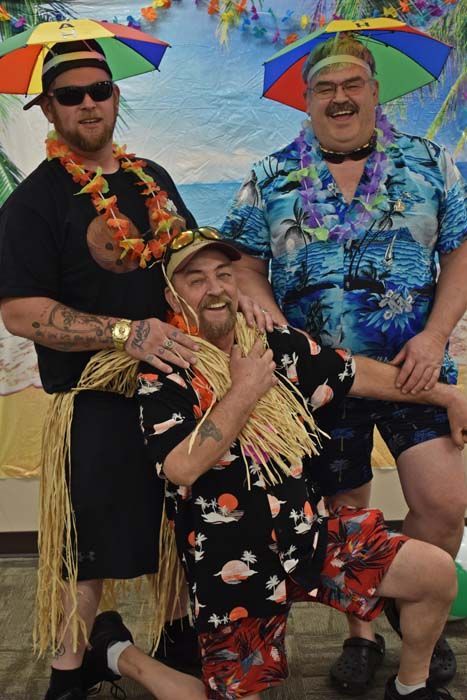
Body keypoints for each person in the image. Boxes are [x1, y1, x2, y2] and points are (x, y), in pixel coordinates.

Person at [0, 40, 270, 700]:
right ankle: (69, 675)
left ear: (116, 96)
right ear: (47, 109)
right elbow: (20, 313)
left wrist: (235, 301)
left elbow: (191, 266)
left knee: (180, 530)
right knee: (86, 548)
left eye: (100, 90)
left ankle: (179, 640)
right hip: (94, 397)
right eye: (71, 95)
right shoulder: (34, 204)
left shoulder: (152, 177)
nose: (89, 104)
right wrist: (126, 333)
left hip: (174, 390)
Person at [88, 228, 465, 700]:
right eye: (196, 280)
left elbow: (354, 372)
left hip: (308, 536)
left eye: (224, 275)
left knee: (436, 573)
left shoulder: (273, 344)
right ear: (171, 295)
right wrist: (244, 389)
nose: (216, 289)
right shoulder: (164, 369)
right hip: (232, 567)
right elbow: (181, 467)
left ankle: (411, 687)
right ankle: (119, 652)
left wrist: (448, 395)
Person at [220, 34, 467, 694]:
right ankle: (362, 633)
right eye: (324, 87)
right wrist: (269, 320)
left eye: (351, 83)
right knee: (344, 511)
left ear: (374, 90)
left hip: (415, 369)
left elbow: (460, 251)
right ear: (306, 100)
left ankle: (419, 617)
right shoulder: (271, 176)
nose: (339, 97)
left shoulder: (429, 163)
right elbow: (240, 264)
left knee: (445, 502)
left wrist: (435, 336)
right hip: (320, 380)